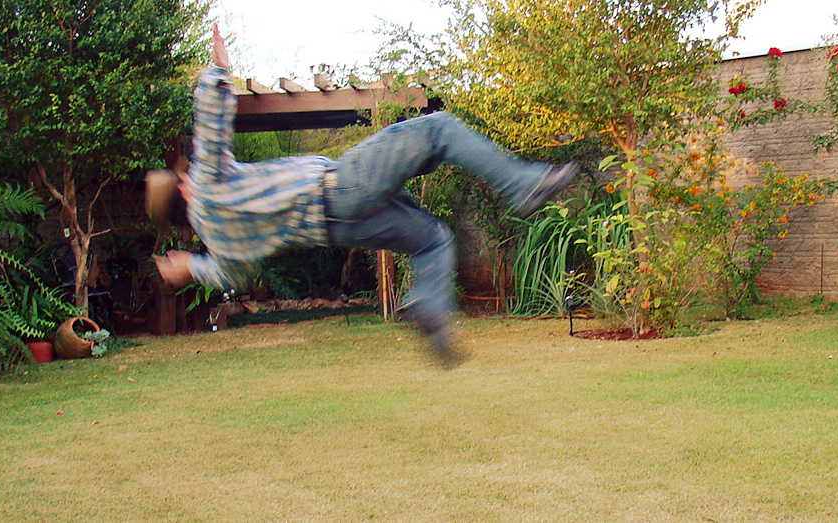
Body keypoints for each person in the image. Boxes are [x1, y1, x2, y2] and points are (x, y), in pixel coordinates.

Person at [150, 24, 577, 367]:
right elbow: (210, 123)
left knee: (433, 239)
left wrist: (191, 266)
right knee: (439, 129)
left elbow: (234, 277)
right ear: (184, 188)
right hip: (339, 187)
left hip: (342, 228)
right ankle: (523, 185)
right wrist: (218, 68)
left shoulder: (220, 242)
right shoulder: (206, 182)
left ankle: (429, 305)